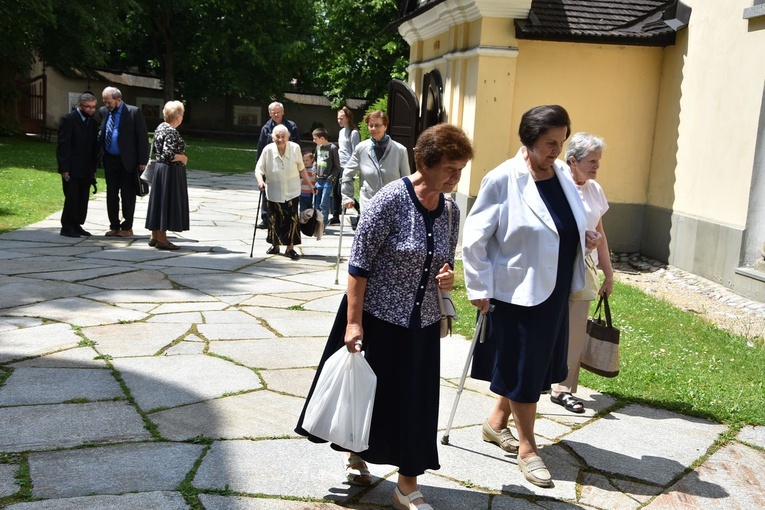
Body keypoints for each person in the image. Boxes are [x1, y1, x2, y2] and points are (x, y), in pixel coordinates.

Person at [296, 124, 474, 510]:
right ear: (424, 162)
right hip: (378, 319)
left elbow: (443, 260)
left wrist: (448, 277)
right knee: (370, 398)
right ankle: (356, 450)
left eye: (460, 169)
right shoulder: (389, 201)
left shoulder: (450, 211)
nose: (457, 177)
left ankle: (406, 485)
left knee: (416, 405)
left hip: (422, 323)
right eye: (451, 168)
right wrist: (354, 322)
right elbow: (357, 268)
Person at [463, 105, 598, 489]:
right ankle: (527, 449)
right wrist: (479, 288)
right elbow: (474, 238)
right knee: (525, 367)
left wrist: (582, 237)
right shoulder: (503, 178)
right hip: (516, 292)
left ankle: (495, 423)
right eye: (549, 143)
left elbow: (562, 224)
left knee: (535, 365)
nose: (557, 150)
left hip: (554, 288)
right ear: (529, 140)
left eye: (561, 141)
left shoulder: (559, 175)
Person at [550, 132, 614, 413]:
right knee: (547, 325)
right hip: (552, 265)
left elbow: (599, 231)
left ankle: (563, 388)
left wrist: (609, 272)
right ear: (572, 161)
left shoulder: (594, 189)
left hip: (584, 266)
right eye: (592, 161)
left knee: (576, 330)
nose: (597, 166)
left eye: (598, 161)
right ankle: (537, 377)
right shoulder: (556, 183)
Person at [254, 124, 314, 260]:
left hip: (292, 191)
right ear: (272, 137)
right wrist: (260, 181)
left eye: (283, 136)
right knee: (274, 219)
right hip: (273, 191)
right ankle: (275, 245)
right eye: (277, 136)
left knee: (292, 220)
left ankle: (290, 248)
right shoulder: (268, 150)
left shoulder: (295, 148)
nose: (280, 139)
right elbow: (259, 169)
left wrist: (310, 185)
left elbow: (301, 168)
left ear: (288, 137)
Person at [99, 86, 150, 238]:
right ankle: (114, 225)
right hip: (110, 160)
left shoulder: (133, 112)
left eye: (109, 102)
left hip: (127, 161)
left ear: (118, 100)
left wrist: (142, 160)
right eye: (105, 101)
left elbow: (142, 137)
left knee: (127, 194)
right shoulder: (104, 112)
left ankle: (127, 227)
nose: (106, 104)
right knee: (111, 194)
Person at [340, 110, 410, 212]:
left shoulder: (400, 150)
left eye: (377, 125)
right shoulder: (361, 148)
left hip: (392, 207)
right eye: (370, 125)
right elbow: (347, 173)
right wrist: (347, 196)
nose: (373, 129)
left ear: (385, 126)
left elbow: (406, 181)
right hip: (368, 205)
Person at [145, 101, 190, 251]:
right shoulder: (171, 131)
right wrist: (182, 158)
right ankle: (163, 240)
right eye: (182, 114)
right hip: (169, 171)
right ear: (177, 117)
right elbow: (168, 153)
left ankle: (155, 235)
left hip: (160, 170)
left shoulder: (160, 127)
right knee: (166, 203)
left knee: (159, 201)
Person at [56, 92, 99, 238]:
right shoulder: (69, 120)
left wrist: (93, 169)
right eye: (88, 107)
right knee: (72, 198)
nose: (91, 110)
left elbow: (93, 147)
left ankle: (77, 224)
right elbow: (63, 145)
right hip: (72, 167)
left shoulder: (92, 123)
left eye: (94, 107)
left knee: (82, 198)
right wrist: (64, 168)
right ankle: (67, 226)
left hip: (86, 168)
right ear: (80, 106)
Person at [256, 102, 301, 229]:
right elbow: (261, 147)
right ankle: (266, 218)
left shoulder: (291, 126)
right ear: (270, 113)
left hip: (288, 164)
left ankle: (287, 218)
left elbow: (297, 145)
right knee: (267, 191)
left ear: (283, 112)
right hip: (271, 163)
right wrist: (259, 167)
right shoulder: (266, 128)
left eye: (278, 112)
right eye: (273, 112)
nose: (276, 114)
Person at [332, 106, 360, 224]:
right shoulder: (341, 132)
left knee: (343, 191)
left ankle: (360, 209)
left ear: (348, 118)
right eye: (338, 118)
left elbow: (356, 151)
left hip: (347, 166)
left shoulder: (353, 133)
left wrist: (353, 168)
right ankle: (335, 216)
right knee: (335, 191)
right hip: (339, 165)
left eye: (342, 118)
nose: (339, 120)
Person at [312, 127, 341, 227]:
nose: (313, 141)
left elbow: (337, 167)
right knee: (316, 204)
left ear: (322, 138)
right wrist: (314, 171)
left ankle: (322, 225)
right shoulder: (318, 148)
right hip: (318, 180)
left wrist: (331, 178)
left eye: (315, 138)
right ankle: (316, 224)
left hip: (327, 181)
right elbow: (315, 161)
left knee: (324, 204)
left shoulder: (333, 148)